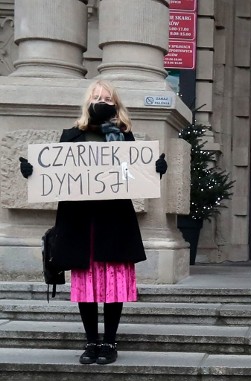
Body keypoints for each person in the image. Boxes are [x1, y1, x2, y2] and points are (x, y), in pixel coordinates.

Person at [19, 79, 167, 365]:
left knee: (114, 282)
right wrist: (32, 172)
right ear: (88, 101)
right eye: (97, 97)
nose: (101, 102)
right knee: (85, 283)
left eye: (107, 98)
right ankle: (90, 341)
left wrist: (155, 169)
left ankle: (109, 342)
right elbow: (55, 174)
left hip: (114, 221)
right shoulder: (72, 135)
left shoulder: (124, 137)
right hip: (80, 223)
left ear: (116, 104)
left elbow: (135, 175)